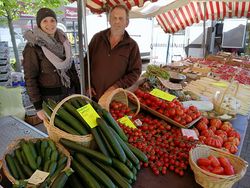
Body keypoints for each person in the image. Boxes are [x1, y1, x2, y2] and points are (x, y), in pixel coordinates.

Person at [22, 8, 80, 120]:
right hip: (51, 101)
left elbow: (72, 70)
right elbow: (30, 78)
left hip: (70, 96)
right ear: (39, 23)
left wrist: (78, 92)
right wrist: (38, 107)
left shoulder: (63, 40)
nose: (50, 24)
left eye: (52, 20)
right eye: (45, 21)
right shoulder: (33, 46)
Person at [85, 4, 142, 101]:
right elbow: (86, 63)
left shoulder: (132, 46)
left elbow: (135, 72)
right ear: (109, 20)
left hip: (114, 99)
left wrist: (116, 86)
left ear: (127, 22)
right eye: (114, 18)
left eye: (121, 18)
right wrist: (87, 85)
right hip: (93, 96)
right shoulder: (97, 38)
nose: (117, 21)